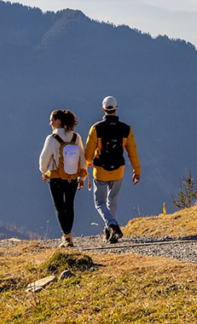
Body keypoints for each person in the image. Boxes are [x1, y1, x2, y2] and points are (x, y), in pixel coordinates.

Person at [84, 95, 141, 243]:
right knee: (112, 202)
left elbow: (88, 155)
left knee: (99, 203)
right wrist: (137, 171)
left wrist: (87, 164)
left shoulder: (96, 128)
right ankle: (110, 231)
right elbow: (132, 152)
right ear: (116, 109)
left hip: (100, 171)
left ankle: (112, 226)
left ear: (103, 109)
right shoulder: (126, 129)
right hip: (118, 171)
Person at [39, 109, 87, 247]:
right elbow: (82, 158)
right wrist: (82, 178)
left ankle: (66, 237)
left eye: (52, 120)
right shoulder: (76, 137)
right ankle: (69, 234)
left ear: (58, 121)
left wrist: (44, 171)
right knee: (69, 205)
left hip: (56, 178)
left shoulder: (52, 139)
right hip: (72, 177)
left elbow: (43, 161)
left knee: (59, 207)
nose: (50, 123)